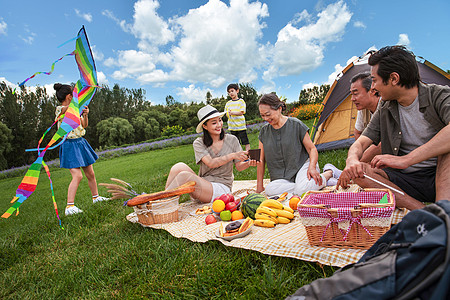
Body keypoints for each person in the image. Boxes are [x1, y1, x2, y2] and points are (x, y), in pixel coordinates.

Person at [337, 46, 450, 210]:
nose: (373, 87)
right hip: (405, 180)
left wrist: (406, 160)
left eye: (375, 80)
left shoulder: (439, 95)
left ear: (394, 79)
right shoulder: (386, 106)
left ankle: (442, 206)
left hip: (440, 175)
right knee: (361, 173)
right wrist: (352, 160)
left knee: (447, 153)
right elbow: (361, 143)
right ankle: (425, 212)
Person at [165, 105, 255, 203]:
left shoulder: (232, 140)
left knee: (184, 176)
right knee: (178, 167)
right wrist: (232, 155)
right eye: (214, 123)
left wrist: (249, 163)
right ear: (205, 126)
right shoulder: (199, 142)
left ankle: (163, 205)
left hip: (222, 188)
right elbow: (211, 163)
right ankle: (163, 202)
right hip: (204, 184)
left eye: (220, 120)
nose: (219, 125)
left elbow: (239, 167)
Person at [255, 93, 340, 197]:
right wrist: (259, 186)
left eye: (268, 114)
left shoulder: (296, 124)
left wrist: (312, 167)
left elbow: (312, 149)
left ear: (279, 109)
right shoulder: (264, 132)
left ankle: (329, 172)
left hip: (303, 166)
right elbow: (261, 160)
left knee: (301, 190)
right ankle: (313, 184)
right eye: (262, 115)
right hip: (283, 178)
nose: (265, 118)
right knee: (269, 190)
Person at [54, 83, 109, 216]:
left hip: (81, 143)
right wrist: (77, 105)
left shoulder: (75, 110)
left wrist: (85, 114)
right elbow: (66, 110)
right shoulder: (60, 109)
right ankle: (69, 206)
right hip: (69, 145)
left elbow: (84, 125)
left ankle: (96, 197)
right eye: (73, 93)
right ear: (68, 96)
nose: (75, 96)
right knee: (77, 176)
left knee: (90, 174)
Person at [350, 72, 382, 163]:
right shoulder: (363, 109)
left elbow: (382, 145)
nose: (352, 99)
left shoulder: (385, 106)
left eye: (355, 94)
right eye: (351, 94)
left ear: (372, 91)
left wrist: (360, 162)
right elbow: (357, 133)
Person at [224, 83, 251, 151]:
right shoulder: (228, 103)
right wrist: (228, 114)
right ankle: (240, 155)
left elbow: (242, 112)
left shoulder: (241, 101)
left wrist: (232, 113)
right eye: (229, 92)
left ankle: (249, 154)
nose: (231, 93)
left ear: (237, 91)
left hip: (240, 126)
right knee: (236, 143)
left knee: (245, 141)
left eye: (232, 91)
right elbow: (226, 113)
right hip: (232, 127)